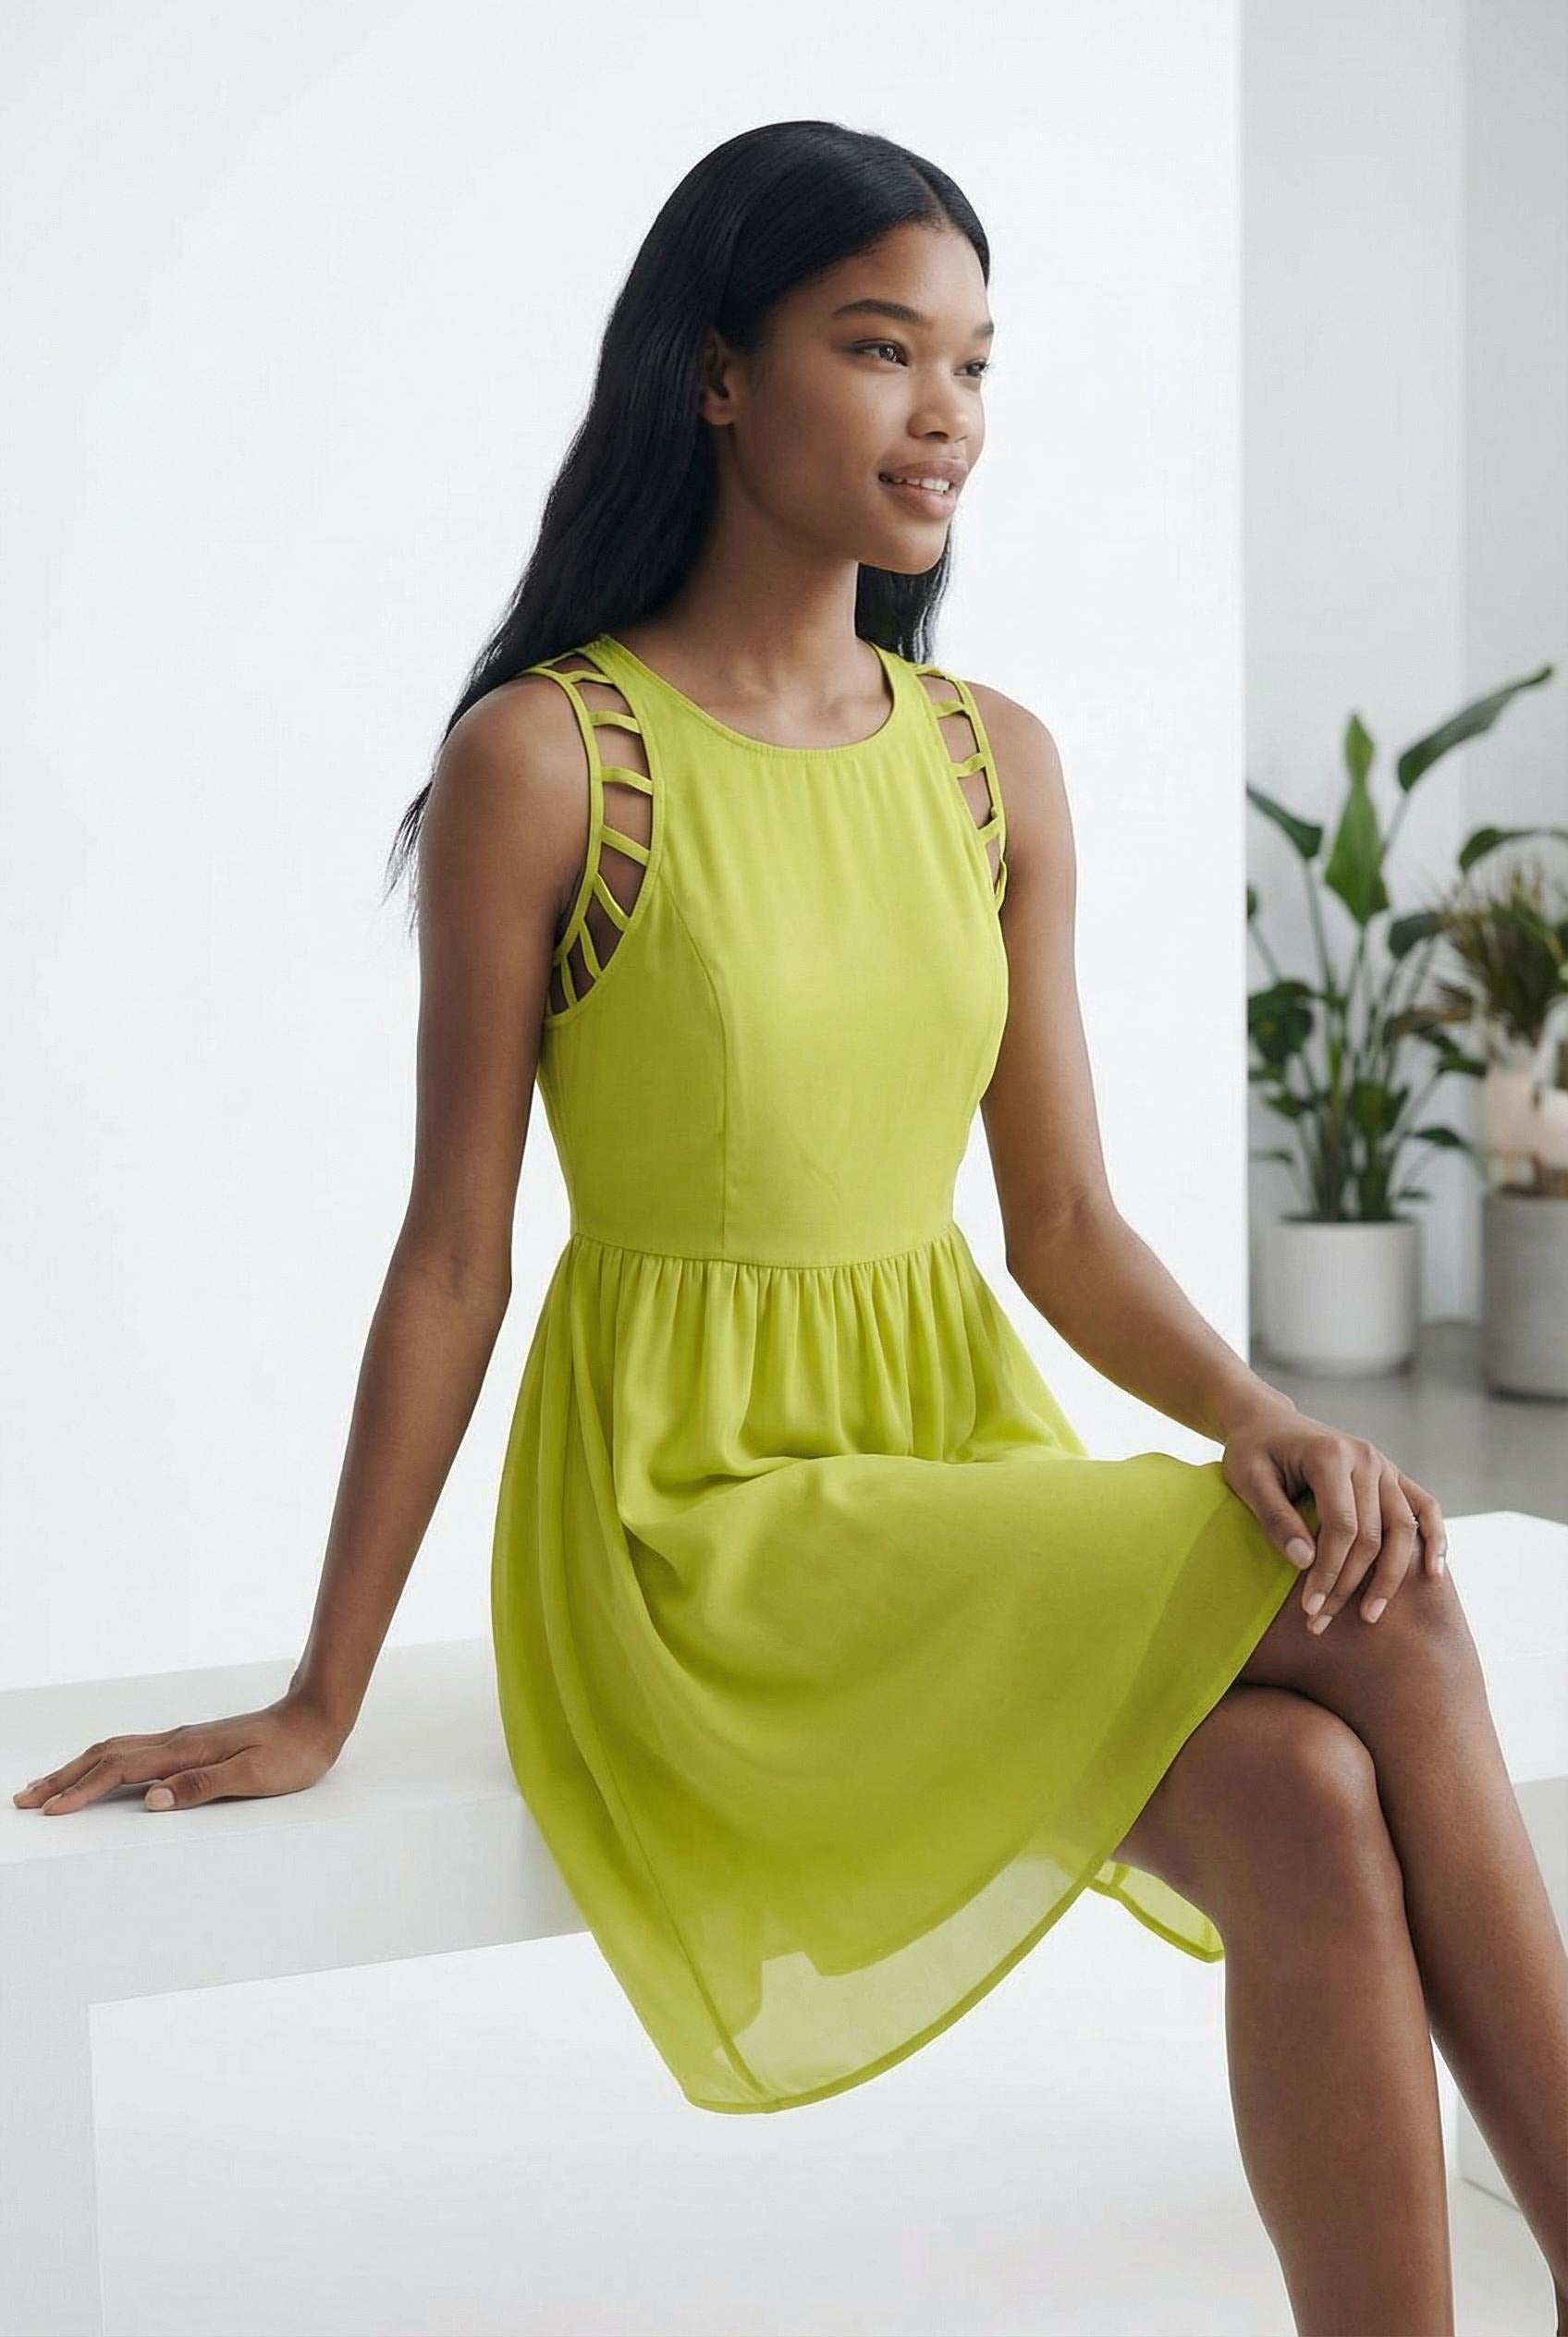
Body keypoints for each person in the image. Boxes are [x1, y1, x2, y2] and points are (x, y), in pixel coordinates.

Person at [16, 120, 1565, 2336]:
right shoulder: (551, 758)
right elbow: (453, 1252)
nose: (945, 413)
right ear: (718, 374)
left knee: (1310, 1792)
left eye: (972, 361)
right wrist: (318, 1691)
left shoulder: (991, 762)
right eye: (877, 347)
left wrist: (1258, 1415)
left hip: (941, 1467)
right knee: (1389, 1625)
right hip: (695, 1529)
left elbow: (1059, 1222)